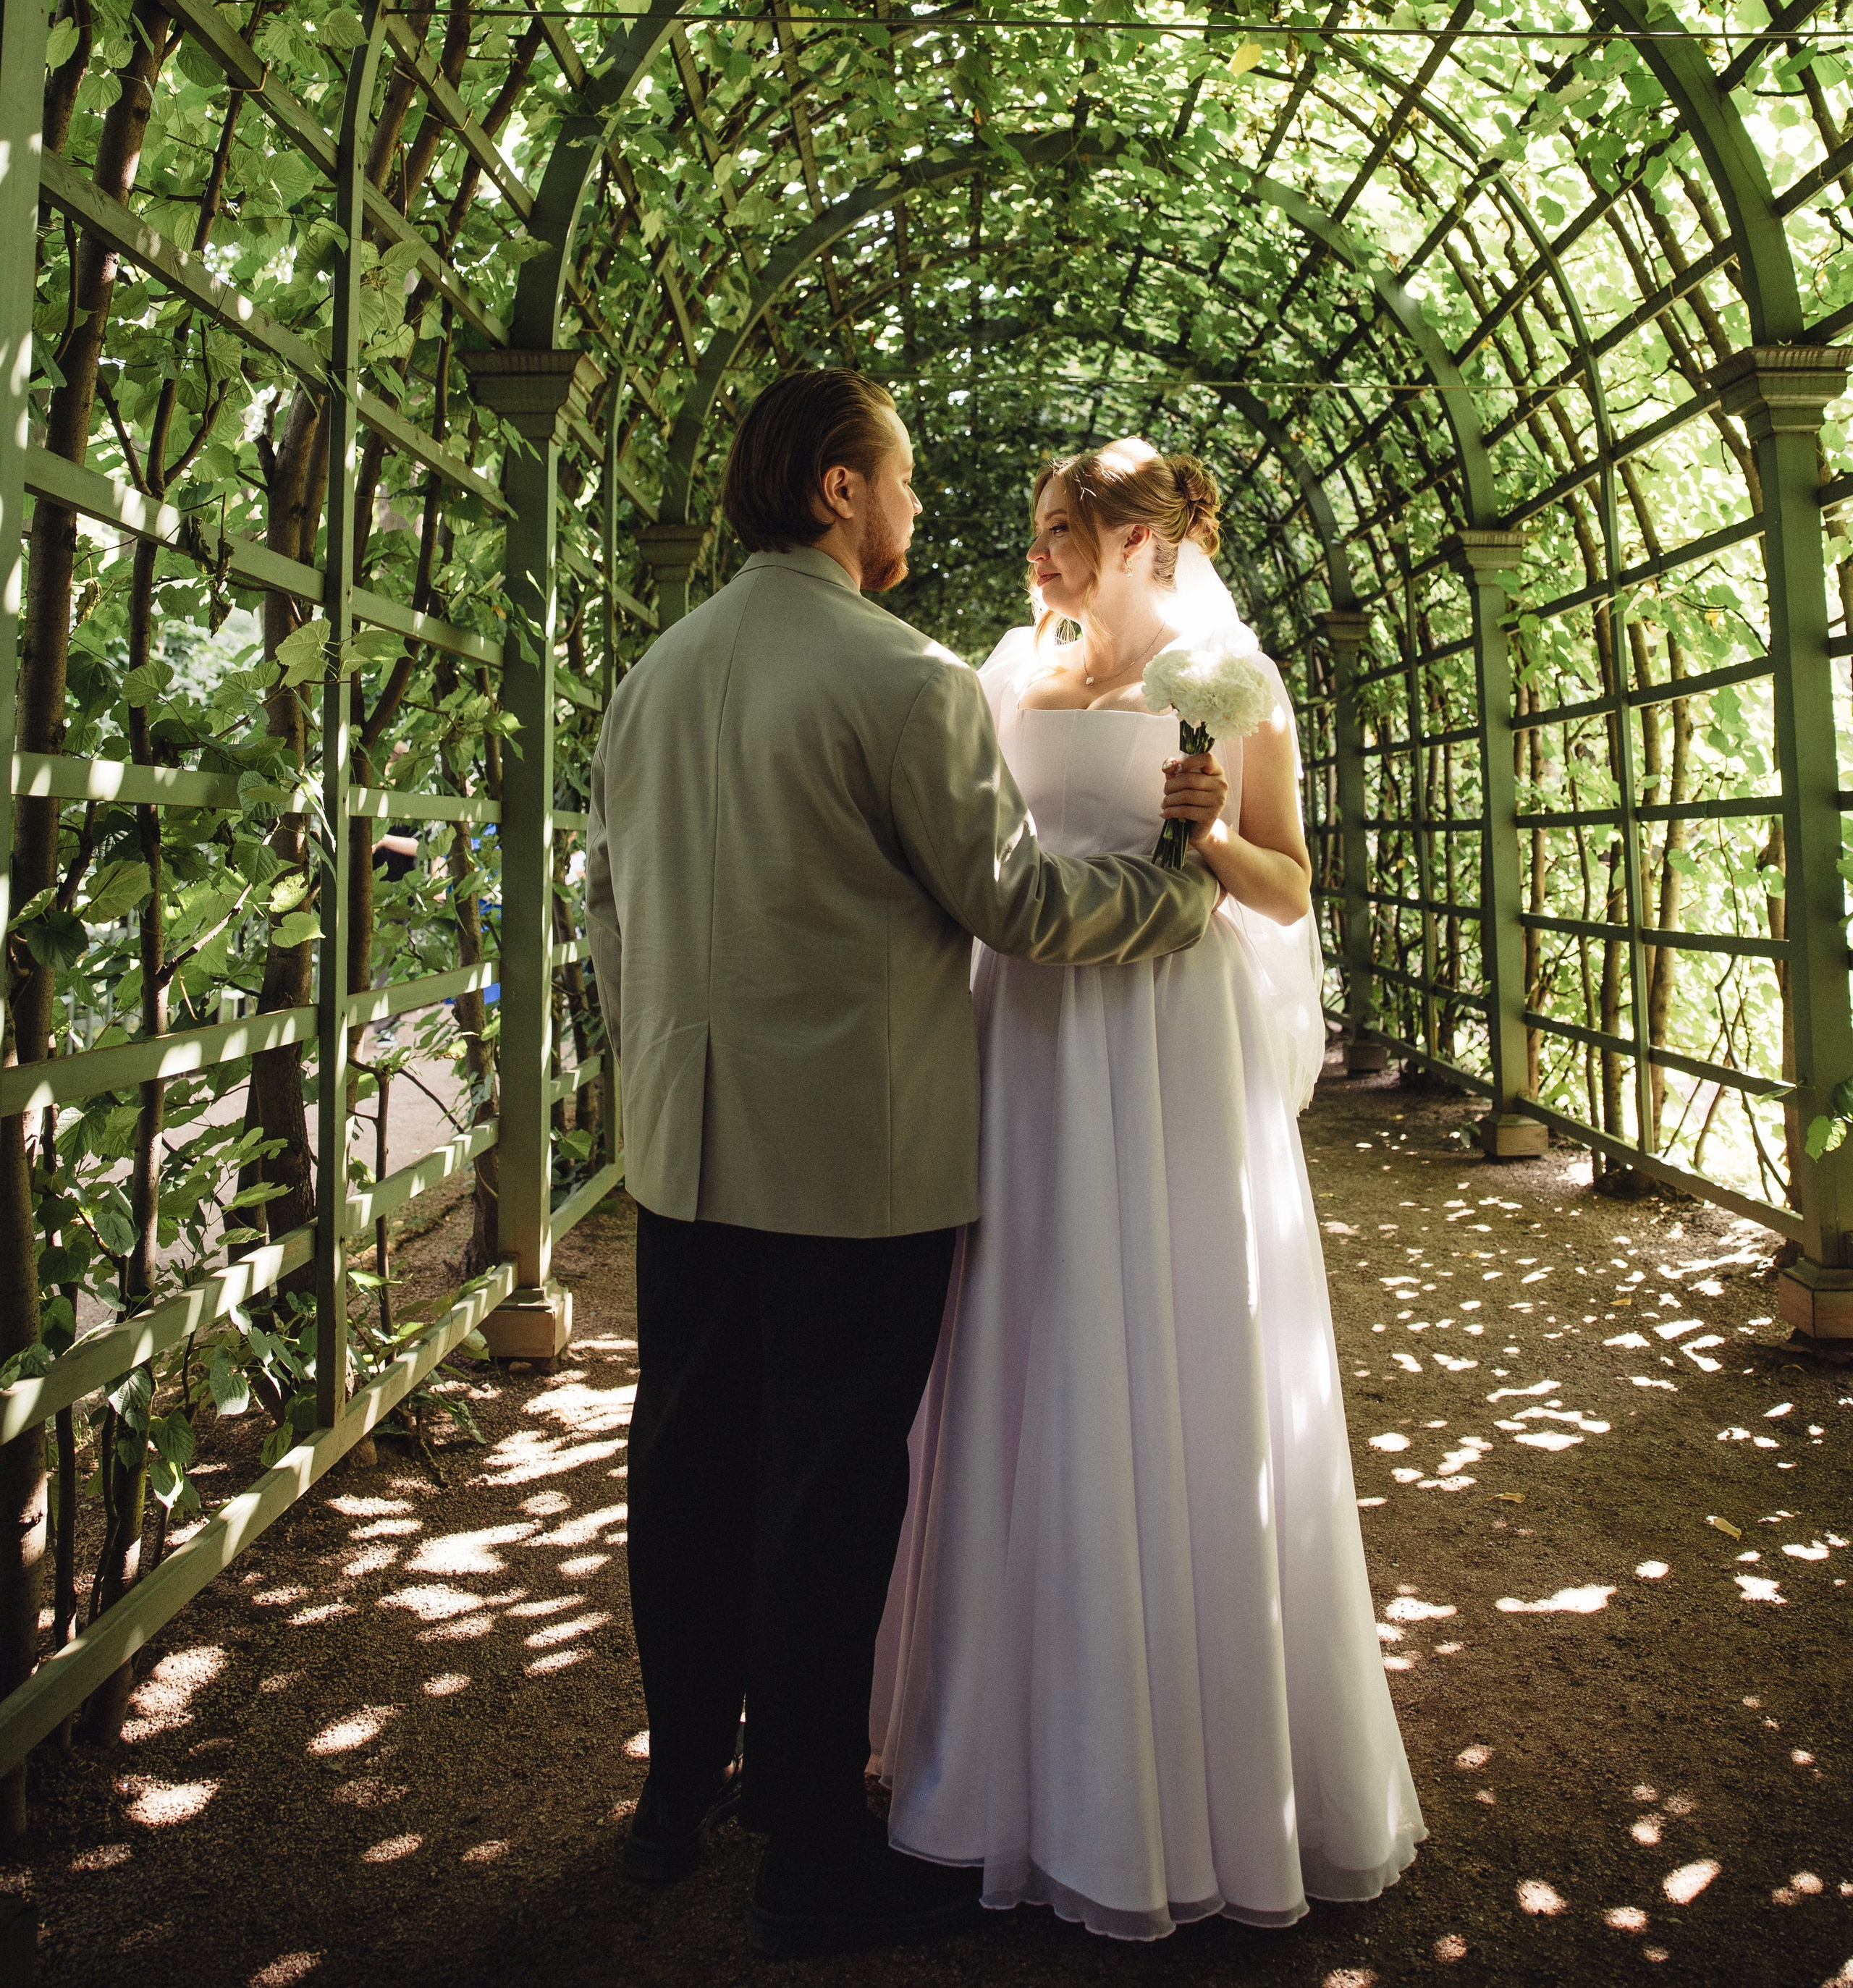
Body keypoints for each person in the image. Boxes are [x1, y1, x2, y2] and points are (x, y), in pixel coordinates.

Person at [583, 373, 1223, 1958]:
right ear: (832, 491)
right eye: (905, 480)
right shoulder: (905, 677)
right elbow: (1013, 903)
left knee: (684, 1469)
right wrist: (1169, 893)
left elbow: (605, 914)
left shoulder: (650, 678)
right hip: (855, 1166)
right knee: (824, 1487)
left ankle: (677, 1796)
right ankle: (807, 1836)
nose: (921, 509)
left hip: (684, 1147)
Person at [872, 439, 1427, 1939]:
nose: (1036, 555)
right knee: (1027, 1341)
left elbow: (1290, 886)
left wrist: (1210, 829)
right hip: (1030, 1039)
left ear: (1141, 541)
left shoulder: (1227, 683)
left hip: (1169, 1046)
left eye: (1062, 533)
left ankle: (1200, 1785)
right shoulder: (1006, 672)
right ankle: (999, 1763)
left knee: (1177, 1352)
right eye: (1044, 532)